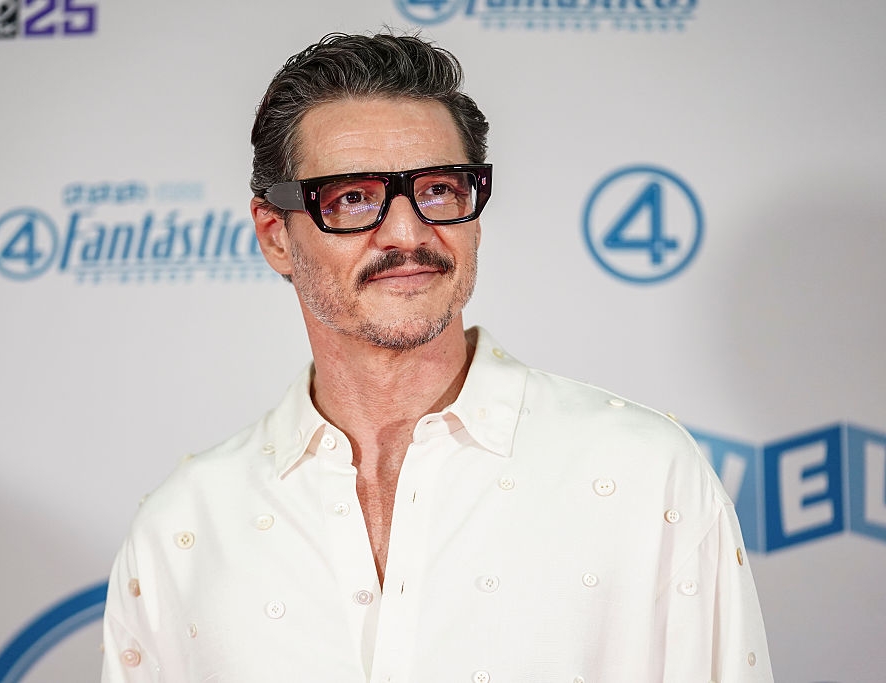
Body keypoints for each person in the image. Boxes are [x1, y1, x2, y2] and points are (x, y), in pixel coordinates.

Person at [101, 32, 773, 683]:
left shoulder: (645, 476)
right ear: (276, 235)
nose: (406, 232)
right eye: (353, 197)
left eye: (438, 190)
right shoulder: (183, 529)